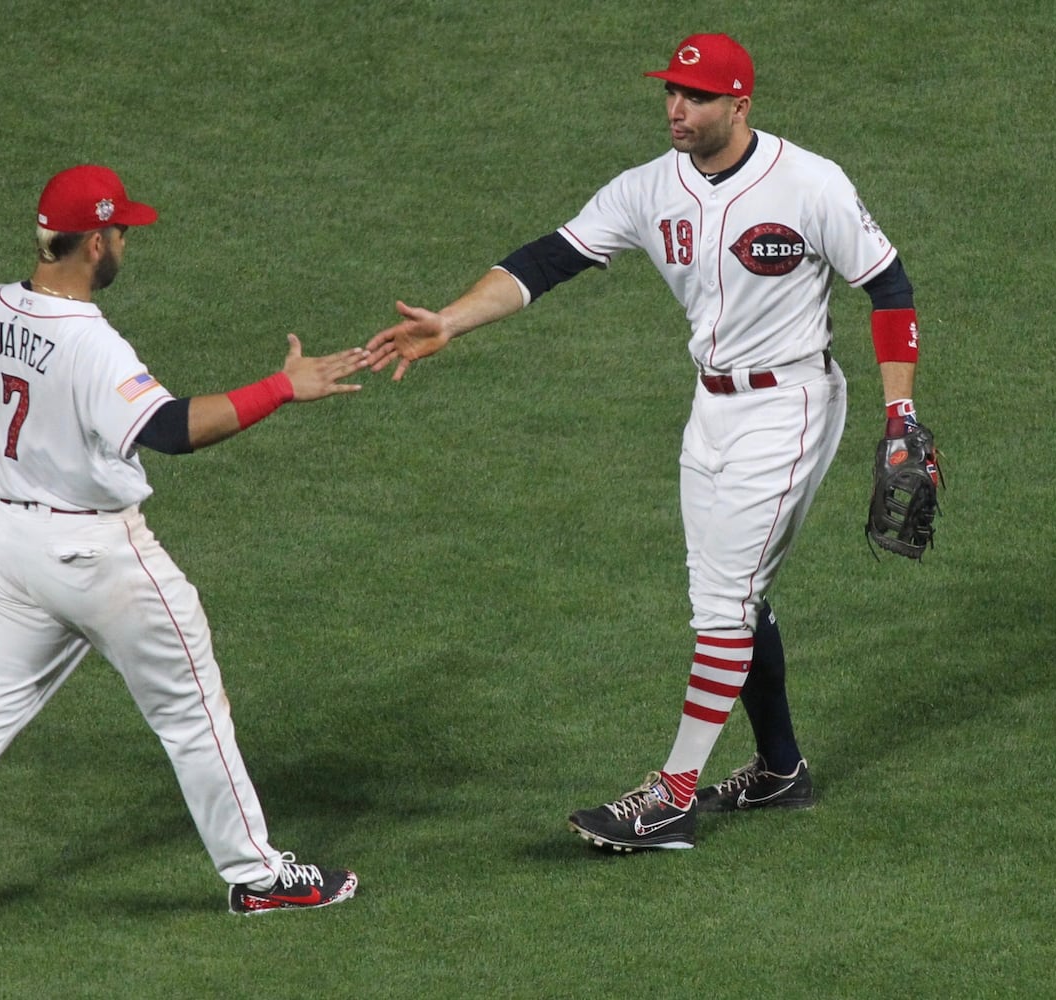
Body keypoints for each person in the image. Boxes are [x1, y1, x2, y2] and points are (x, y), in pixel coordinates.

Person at [365, 34, 936, 851]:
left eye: (697, 96)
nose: (677, 107)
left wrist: (899, 415)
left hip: (792, 406)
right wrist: (450, 321)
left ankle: (671, 795)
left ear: (741, 104)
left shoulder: (811, 184)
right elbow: (546, 259)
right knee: (731, 599)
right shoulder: (647, 189)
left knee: (724, 605)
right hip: (710, 411)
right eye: (671, 91)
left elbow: (889, 284)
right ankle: (780, 770)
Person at [0, 164, 366, 947]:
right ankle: (259, 878)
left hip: (12, 545)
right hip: (97, 554)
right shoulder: (90, 343)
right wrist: (283, 388)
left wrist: (11, 460)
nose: (127, 242)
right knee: (193, 713)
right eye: (122, 231)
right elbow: (172, 430)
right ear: (95, 241)